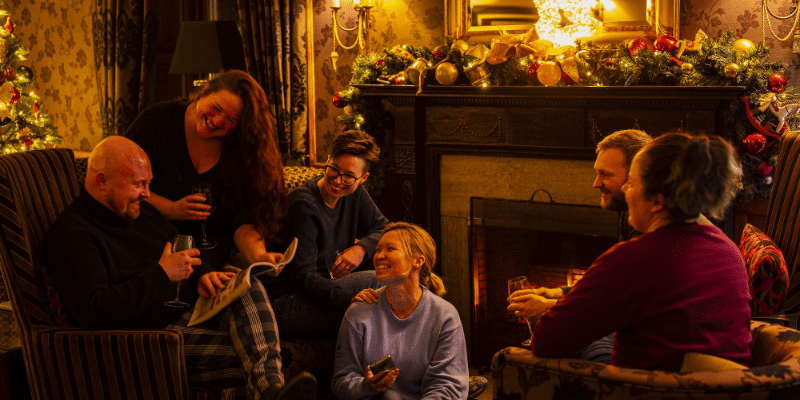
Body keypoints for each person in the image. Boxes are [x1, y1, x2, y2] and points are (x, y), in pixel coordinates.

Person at [41, 136, 316, 400]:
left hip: (189, 309)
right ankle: (270, 391)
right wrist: (162, 273)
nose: (146, 194)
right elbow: (94, 311)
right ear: (102, 181)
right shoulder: (73, 234)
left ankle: (270, 391)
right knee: (248, 358)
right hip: (145, 336)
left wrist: (203, 273)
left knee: (245, 285)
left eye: (148, 183)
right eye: (138, 184)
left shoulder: (137, 209)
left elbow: (180, 244)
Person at [528, 132, 752, 371]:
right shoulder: (727, 248)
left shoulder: (631, 258)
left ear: (657, 201)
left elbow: (546, 340)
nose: (625, 190)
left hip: (648, 390)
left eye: (632, 182)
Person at [125, 70, 287, 271]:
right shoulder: (158, 120)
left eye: (231, 120)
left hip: (210, 250)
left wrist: (260, 256)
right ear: (204, 91)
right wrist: (171, 209)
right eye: (216, 108)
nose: (218, 121)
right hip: (151, 239)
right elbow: (124, 185)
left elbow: (241, 221)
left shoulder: (240, 147)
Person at [261, 130, 388, 339]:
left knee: (393, 279)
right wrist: (351, 300)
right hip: (285, 305)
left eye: (348, 176)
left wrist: (361, 249)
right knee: (378, 283)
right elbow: (303, 276)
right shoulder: (303, 205)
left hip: (321, 291)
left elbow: (382, 226)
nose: (338, 181)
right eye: (334, 169)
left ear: (363, 178)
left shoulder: (353, 191)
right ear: (327, 160)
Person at [332, 222, 468, 400]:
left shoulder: (445, 316)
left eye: (390, 249)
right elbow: (342, 382)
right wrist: (366, 386)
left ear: (417, 261)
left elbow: (447, 387)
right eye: (378, 249)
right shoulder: (359, 312)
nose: (379, 255)